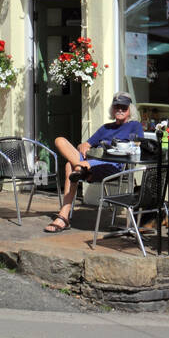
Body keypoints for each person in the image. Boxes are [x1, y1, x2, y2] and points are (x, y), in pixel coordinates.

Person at [45, 92, 144, 234]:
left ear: (130, 110)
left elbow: (137, 146)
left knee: (69, 165)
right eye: (117, 107)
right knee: (59, 140)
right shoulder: (106, 128)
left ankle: (63, 216)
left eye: (124, 107)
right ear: (113, 109)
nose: (120, 110)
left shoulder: (134, 126)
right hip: (91, 163)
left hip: (111, 165)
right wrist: (84, 146)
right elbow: (84, 144)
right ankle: (80, 169)